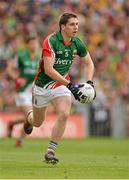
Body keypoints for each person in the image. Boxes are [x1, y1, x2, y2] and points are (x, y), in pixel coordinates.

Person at [24, 12, 95, 164]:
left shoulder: (77, 43)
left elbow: (89, 63)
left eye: (77, 24)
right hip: (42, 86)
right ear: (63, 27)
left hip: (60, 85)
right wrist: (70, 85)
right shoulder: (51, 41)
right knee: (37, 122)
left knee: (64, 114)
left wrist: (89, 82)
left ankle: (50, 152)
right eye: (72, 24)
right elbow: (49, 70)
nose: (76, 27)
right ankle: (29, 117)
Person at [7, 35, 40, 147]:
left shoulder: (39, 58)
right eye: (31, 43)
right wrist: (16, 78)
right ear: (27, 45)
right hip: (22, 91)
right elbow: (9, 69)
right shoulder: (21, 56)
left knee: (32, 117)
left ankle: (13, 123)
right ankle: (20, 141)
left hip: (35, 91)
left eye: (35, 43)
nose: (34, 45)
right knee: (31, 115)